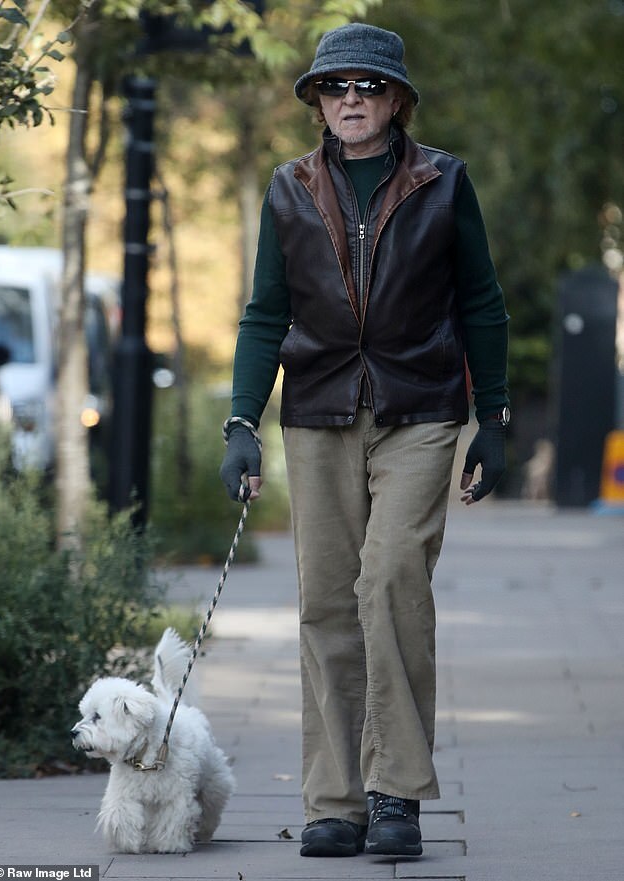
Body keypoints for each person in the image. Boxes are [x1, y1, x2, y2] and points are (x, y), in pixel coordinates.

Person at [220, 22, 510, 859]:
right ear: (316, 98)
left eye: (369, 87)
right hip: (317, 411)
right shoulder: (288, 188)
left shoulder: (444, 182)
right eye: (336, 86)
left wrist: (492, 418)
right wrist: (242, 420)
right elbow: (265, 314)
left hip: (420, 409)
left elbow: (482, 303)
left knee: (388, 578)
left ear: (397, 100)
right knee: (327, 603)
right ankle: (336, 800)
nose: (352, 100)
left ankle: (396, 791)